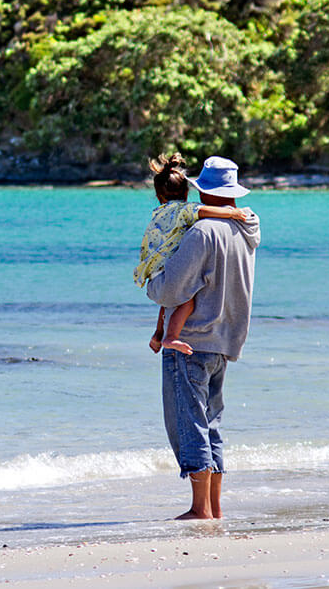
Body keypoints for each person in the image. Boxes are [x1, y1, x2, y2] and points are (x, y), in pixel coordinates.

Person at [145, 156, 261, 520]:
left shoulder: (201, 234)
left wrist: (152, 283)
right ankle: (213, 507)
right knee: (211, 424)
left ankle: (199, 509)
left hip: (192, 340)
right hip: (225, 338)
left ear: (204, 190)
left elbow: (171, 290)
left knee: (189, 423)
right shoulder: (248, 228)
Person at [134, 154, 250, 356]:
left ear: (159, 196)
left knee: (172, 302)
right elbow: (205, 211)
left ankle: (159, 334)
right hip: (217, 338)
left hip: (154, 277)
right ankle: (170, 337)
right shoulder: (186, 211)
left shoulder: (159, 213)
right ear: (186, 193)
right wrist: (233, 213)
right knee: (186, 299)